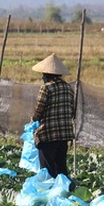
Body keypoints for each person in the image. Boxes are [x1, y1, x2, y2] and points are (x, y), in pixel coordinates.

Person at [31, 53, 75, 181]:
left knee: (47, 168)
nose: (42, 77)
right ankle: (64, 189)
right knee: (61, 166)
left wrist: (33, 119)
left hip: (49, 134)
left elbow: (39, 108)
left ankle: (49, 190)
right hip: (64, 133)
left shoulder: (46, 88)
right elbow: (72, 110)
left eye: (43, 75)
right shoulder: (68, 88)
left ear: (46, 75)